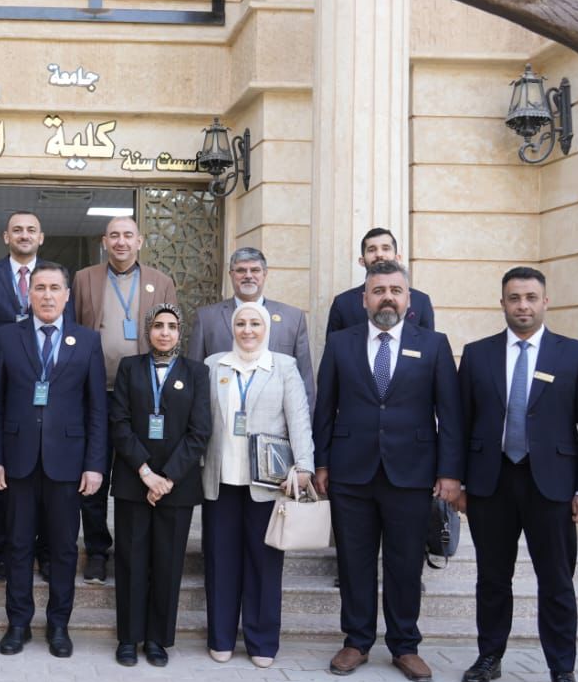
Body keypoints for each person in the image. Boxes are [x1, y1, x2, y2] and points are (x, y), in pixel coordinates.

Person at [456, 266, 578, 682]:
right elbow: (461, 424)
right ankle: (489, 656)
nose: (523, 305)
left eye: (531, 297)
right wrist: (458, 481)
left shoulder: (575, 354)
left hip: (552, 486)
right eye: (514, 298)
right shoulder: (477, 354)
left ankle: (562, 670)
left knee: (556, 580)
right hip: (491, 482)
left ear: (545, 302)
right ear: (502, 303)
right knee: (492, 578)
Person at [312, 259, 462, 682]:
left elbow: (450, 413)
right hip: (350, 472)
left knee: (405, 563)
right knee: (354, 561)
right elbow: (324, 408)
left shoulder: (433, 345)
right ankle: (356, 641)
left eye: (395, 291)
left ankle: (405, 645)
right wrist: (321, 462)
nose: (387, 298)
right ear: (365, 299)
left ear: (408, 299)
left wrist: (449, 473)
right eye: (378, 291)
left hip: (411, 473)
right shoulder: (340, 343)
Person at [0, 262, 107, 658]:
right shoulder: (5, 337)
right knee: (18, 545)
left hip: (68, 464)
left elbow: (97, 409)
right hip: (17, 461)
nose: (47, 295)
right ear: (29, 294)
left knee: (64, 548)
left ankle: (58, 625)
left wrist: (95, 464)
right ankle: (18, 624)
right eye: (40, 288)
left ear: (67, 296)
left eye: (55, 288)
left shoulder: (87, 341)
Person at [201, 303, 314, 668]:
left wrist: (304, 466)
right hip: (221, 481)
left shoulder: (284, 366)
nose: (247, 330)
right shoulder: (214, 365)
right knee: (220, 561)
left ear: (266, 329)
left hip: (268, 483)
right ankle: (220, 638)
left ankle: (262, 641)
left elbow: (299, 420)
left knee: (264, 564)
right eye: (241, 323)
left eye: (254, 323)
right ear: (232, 328)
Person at [0, 210, 72, 583]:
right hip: (4, 386)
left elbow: (69, 328)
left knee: (44, 473)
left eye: (31, 230)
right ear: (5, 236)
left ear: (41, 237)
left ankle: (43, 551)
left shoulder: (55, 276)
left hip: (48, 388)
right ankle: (2, 553)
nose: (24, 235)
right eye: (17, 230)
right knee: (4, 476)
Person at [71, 217, 178, 584]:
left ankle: (138, 548)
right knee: (94, 472)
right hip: (95, 392)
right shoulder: (84, 278)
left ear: (140, 241)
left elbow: (170, 334)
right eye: (114, 235)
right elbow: (73, 331)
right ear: (104, 241)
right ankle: (97, 550)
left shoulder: (161, 281)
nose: (121, 242)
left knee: (139, 472)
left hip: (142, 395)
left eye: (127, 235)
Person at [108, 303, 210, 667]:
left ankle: (157, 639)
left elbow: (200, 431)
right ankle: (128, 637)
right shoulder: (129, 368)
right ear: (148, 330)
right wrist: (145, 472)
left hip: (176, 485)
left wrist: (167, 477)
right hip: (133, 480)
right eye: (158, 325)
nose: (164, 332)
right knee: (131, 561)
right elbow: (119, 422)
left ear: (180, 332)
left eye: (171, 326)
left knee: (168, 564)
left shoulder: (197, 372)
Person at [186, 248, 315, 405]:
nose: (248, 275)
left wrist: (305, 419)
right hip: (221, 415)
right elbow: (194, 375)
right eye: (241, 270)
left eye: (255, 270)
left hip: (275, 417)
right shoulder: (206, 318)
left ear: (265, 274)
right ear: (231, 274)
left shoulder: (293, 318)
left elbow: (304, 380)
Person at [324, 227, 435, 338]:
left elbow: (429, 345)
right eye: (372, 250)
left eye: (386, 248)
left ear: (397, 258)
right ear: (362, 261)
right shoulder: (343, 303)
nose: (379, 254)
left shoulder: (421, 301)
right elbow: (334, 346)